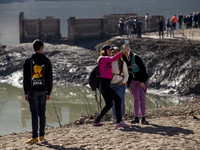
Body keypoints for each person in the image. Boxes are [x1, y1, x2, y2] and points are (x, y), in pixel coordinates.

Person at [23, 39, 53, 145]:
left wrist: (25, 92)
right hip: (43, 91)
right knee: (42, 113)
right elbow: (49, 78)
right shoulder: (47, 61)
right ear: (41, 48)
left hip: (31, 91)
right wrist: (48, 92)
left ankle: (34, 137)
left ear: (34, 48)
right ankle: (42, 136)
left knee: (34, 114)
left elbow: (25, 78)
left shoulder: (28, 61)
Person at [92, 45, 129, 128]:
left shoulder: (107, 60)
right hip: (104, 84)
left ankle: (96, 121)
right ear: (104, 51)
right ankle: (119, 121)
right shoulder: (103, 58)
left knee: (109, 104)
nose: (110, 52)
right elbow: (113, 59)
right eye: (109, 50)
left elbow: (116, 61)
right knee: (118, 99)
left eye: (110, 50)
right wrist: (122, 51)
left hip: (104, 85)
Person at [121, 44, 149, 125]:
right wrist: (128, 86)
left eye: (127, 49)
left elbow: (144, 70)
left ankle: (143, 118)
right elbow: (126, 74)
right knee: (136, 98)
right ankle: (136, 117)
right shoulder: (124, 61)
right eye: (124, 50)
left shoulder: (136, 57)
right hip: (133, 82)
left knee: (142, 97)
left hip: (142, 81)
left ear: (130, 49)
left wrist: (142, 81)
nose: (126, 51)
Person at [109, 47, 129, 124]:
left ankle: (122, 117)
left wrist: (123, 82)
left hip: (120, 85)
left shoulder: (122, 63)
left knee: (121, 101)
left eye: (117, 51)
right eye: (114, 52)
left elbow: (126, 75)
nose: (116, 53)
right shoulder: (109, 62)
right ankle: (114, 118)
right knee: (113, 102)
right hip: (111, 85)